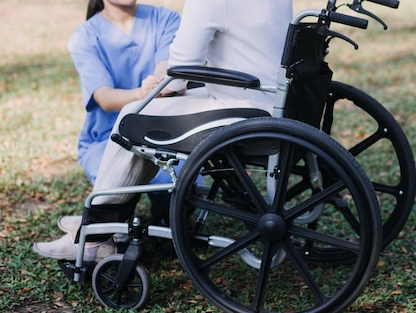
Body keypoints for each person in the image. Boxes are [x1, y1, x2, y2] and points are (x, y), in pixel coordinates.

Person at [33, 0, 294, 261]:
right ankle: (99, 224)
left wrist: (158, 88)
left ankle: (94, 235)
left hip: (242, 109)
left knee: (133, 115)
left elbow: (180, 70)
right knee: (145, 115)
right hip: (273, 102)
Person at [32, 0, 180, 261]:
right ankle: (100, 234)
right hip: (107, 138)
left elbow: (166, 65)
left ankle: (99, 227)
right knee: (119, 179)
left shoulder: (165, 19)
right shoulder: (85, 37)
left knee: (175, 211)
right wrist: (142, 94)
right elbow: (104, 97)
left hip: (165, 136)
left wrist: (158, 83)